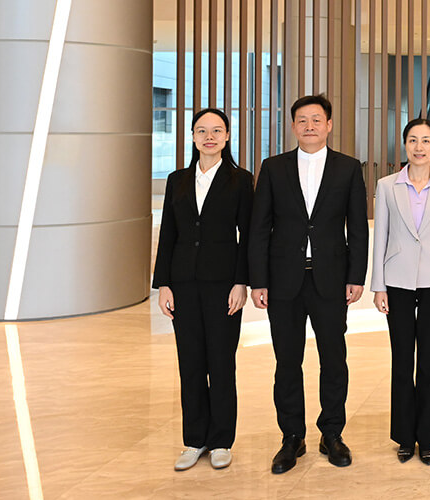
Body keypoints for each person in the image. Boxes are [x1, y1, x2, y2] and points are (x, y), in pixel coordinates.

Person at [248, 94, 369, 474]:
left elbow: (358, 227)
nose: (310, 126)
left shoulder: (348, 168)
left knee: (334, 359)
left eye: (317, 119)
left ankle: (332, 433)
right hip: (283, 281)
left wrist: (356, 276)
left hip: (330, 279)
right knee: (287, 361)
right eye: (302, 120)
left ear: (329, 125)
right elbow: (259, 228)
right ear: (293, 126)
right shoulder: (273, 167)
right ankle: (291, 437)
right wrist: (258, 280)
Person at [153, 108, 253, 471]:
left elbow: (248, 235)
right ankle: (195, 439)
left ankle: (222, 439)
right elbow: (168, 234)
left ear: (227, 137)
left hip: (223, 285)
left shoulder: (240, 180)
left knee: (221, 363)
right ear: (193, 137)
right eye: (202, 131)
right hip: (183, 285)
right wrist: (164, 284)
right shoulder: (177, 180)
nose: (209, 137)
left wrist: (241, 282)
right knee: (191, 363)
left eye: (216, 130)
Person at [371, 118, 430, 465]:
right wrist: (378, 285)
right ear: (404, 145)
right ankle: (405, 436)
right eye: (412, 140)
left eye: (425, 140)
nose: (419, 147)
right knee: (402, 359)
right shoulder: (387, 186)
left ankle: (428, 436)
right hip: (397, 280)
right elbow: (380, 237)